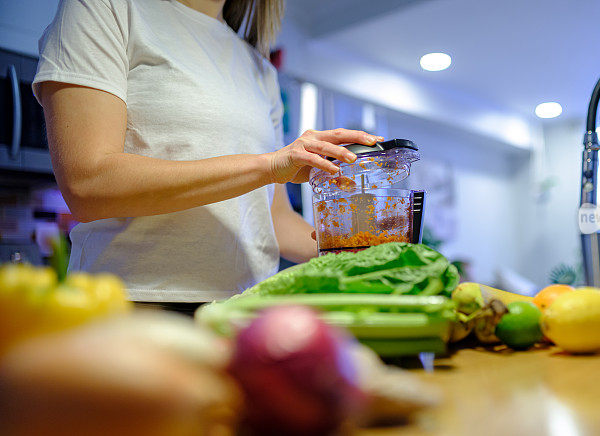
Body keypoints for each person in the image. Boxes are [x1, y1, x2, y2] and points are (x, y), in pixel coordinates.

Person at [33, 0, 382, 309]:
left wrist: (358, 250)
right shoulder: (106, 7)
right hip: (131, 306)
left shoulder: (259, 70)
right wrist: (271, 165)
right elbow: (88, 184)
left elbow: (273, 219)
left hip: (246, 309)